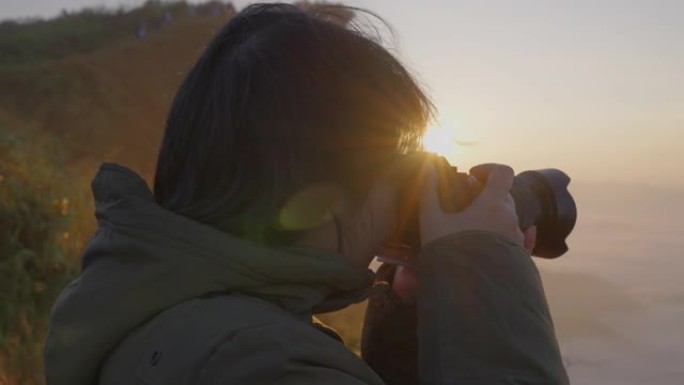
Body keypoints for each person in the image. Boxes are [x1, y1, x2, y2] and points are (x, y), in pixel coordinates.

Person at [44, 3, 569, 385]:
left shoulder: (147, 312)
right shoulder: (266, 366)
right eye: (399, 175)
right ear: (325, 200)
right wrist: (486, 272)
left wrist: (417, 319)